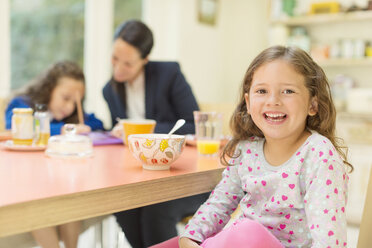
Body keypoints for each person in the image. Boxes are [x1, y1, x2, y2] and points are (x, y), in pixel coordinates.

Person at [151, 45, 353, 248]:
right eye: (262, 91)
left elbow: (330, 243)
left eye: (288, 91)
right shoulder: (247, 149)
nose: (273, 101)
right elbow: (220, 204)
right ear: (248, 102)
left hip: (255, 240)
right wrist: (190, 237)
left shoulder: (319, 156)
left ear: (313, 105)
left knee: (248, 231)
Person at [102, 19, 209, 248]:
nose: (119, 68)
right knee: (124, 206)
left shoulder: (168, 74)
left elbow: (193, 125)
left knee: (155, 209)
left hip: (184, 177)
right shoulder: (109, 91)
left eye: (128, 64)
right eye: (115, 59)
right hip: (143, 176)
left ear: (145, 60)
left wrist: (144, 130)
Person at [5, 60, 104, 248]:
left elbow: (98, 123)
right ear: (49, 88)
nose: (69, 107)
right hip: (25, 181)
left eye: (76, 102)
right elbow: (15, 129)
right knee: (37, 207)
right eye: (65, 98)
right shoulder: (22, 104)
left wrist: (84, 125)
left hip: (58, 181)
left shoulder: (69, 115)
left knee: (70, 199)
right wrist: (66, 128)